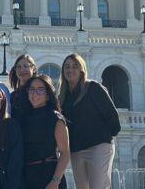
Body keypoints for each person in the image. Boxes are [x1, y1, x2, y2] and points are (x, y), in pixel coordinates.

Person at [58, 54, 120, 189]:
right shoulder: (63, 97)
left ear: (81, 70)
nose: (70, 70)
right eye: (67, 67)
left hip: (98, 146)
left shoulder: (93, 88)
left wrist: (105, 137)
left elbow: (112, 115)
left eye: (75, 66)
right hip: (76, 150)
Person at [20, 75, 69, 189]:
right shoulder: (23, 118)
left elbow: (65, 153)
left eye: (40, 89)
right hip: (27, 176)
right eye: (32, 89)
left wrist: (55, 181)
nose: (35, 93)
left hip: (49, 175)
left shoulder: (55, 118)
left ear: (47, 95)